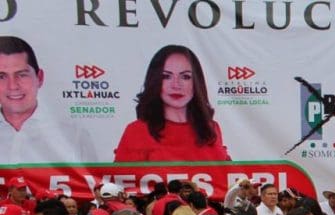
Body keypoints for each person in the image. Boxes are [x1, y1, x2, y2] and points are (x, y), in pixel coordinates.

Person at [114, 45, 230, 162]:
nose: (176, 85)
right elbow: (121, 173)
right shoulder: (136, 131)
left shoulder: (211, 128)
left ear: (196, 82)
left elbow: (228, 171)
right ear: (155, 80)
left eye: (185, 77)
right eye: (166, 76)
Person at [0, 36, 97, 164]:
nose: (13, 86)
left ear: (39, 78)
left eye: (22, 75)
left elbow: (92, 177)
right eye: (1, 77)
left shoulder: (74, 135)